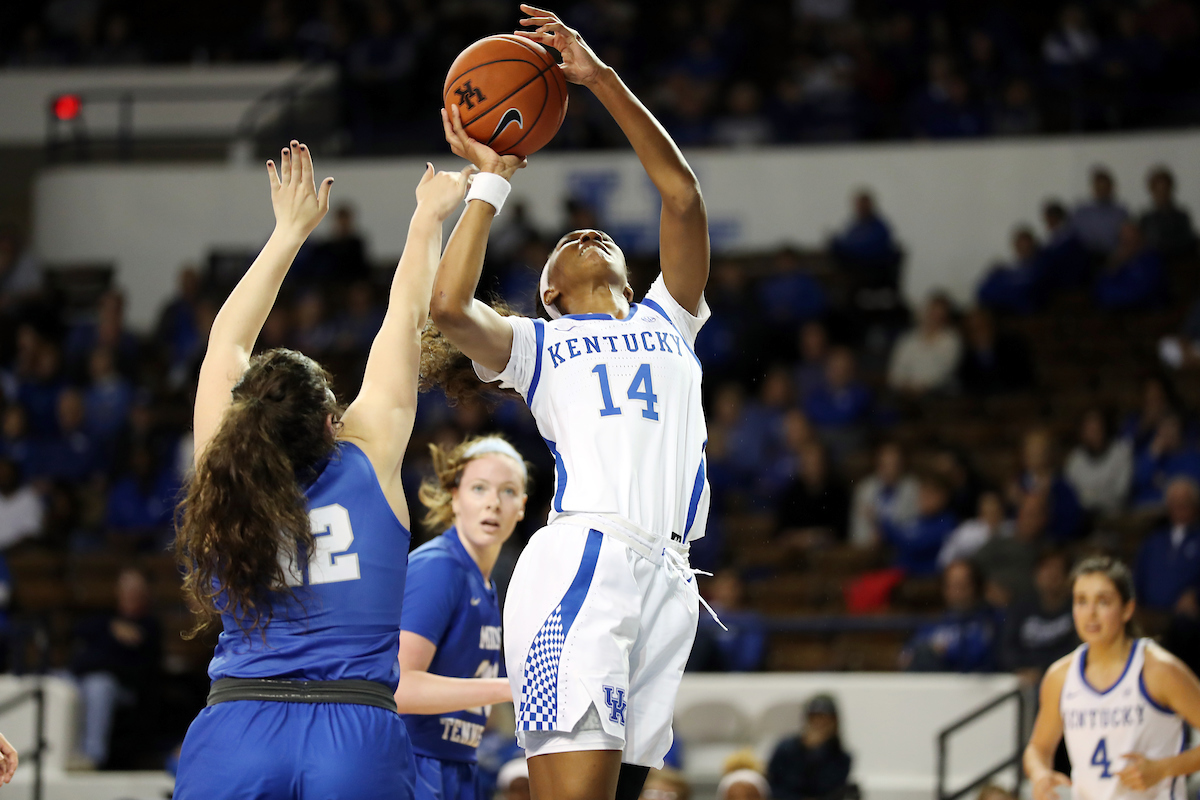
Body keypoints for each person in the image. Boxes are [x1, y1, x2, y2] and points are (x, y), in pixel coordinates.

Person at [426, 7, 713, 799]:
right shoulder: (539, 346)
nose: (588, 234)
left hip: (671, 578)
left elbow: (682, 196)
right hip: (586, 562)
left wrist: (599, 80)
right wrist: (493, 179)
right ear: (550, 292)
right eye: (567, 242)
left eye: (601, 236)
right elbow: (448, 309)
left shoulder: (671, 319)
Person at [172, 141, 472, 799]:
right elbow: (405, 314)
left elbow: (225, 343)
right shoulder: (370, 453)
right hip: (353, 731)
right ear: (332, 422)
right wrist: (428, 217)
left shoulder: (221, 470)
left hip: (239, 729)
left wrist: (288, 232)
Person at [396, 435, 529, 800]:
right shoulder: (439, 567)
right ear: (454, 496)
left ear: (522, 507)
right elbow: (399, 686)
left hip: (457, 763)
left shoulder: (485, 583)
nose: (492, 502)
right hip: (412, 764)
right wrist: (513, 688)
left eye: (507, 491)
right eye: (479, 488)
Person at [1024, 555, 1200, 800]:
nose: (1091, 613)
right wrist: (1040, 774)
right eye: (1081, 601)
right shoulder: (1060, 676)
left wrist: (1163, 769)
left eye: (1103, 601)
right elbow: (1038, 747)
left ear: (1127, 609)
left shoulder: (1159, 669)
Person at [901, 559, 999, 672]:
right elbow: (906, 654)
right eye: (950, 585)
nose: (956, 591)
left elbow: (979, 655)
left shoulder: (989, 620)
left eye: (961, 585)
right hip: (936, 684)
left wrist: (946, 652)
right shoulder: (936, 622)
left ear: (975, 587)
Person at [766, 693, 853, 800]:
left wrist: (816, 753)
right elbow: (772, 787)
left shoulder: (840, 757)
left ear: (834, 722)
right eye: (814, 718)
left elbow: (830, 789)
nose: (819, 723)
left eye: (825, 719)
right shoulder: (785, 748)